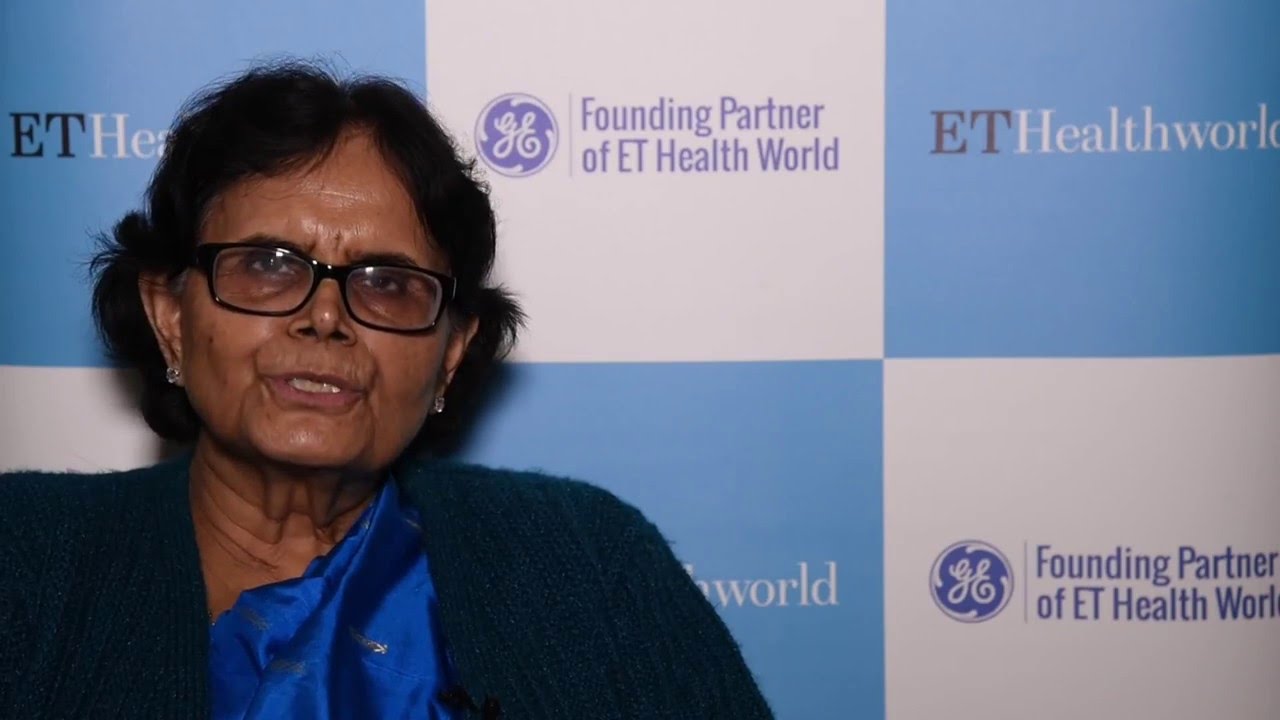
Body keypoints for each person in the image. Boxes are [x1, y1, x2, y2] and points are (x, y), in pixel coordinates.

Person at [0, 62, 773, 719]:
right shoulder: (26, 559)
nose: (324, 317)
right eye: (267, 265)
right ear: (170, 317)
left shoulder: (586, 563)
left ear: (450, 353)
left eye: (388, 283)